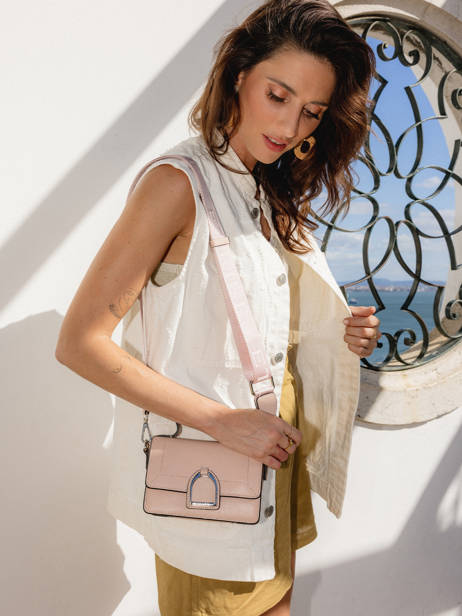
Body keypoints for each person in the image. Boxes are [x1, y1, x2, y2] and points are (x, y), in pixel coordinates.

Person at [55, 0, 381, 613]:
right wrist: (222, 422)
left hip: (275, 450)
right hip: (213, 466)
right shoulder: (177, 183)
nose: (290, 126)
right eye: (277, 95)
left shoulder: (262, 190)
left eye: (311, 112)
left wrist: (342, 334)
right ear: (239, 76)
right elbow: (80, 343)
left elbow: (248, 325)